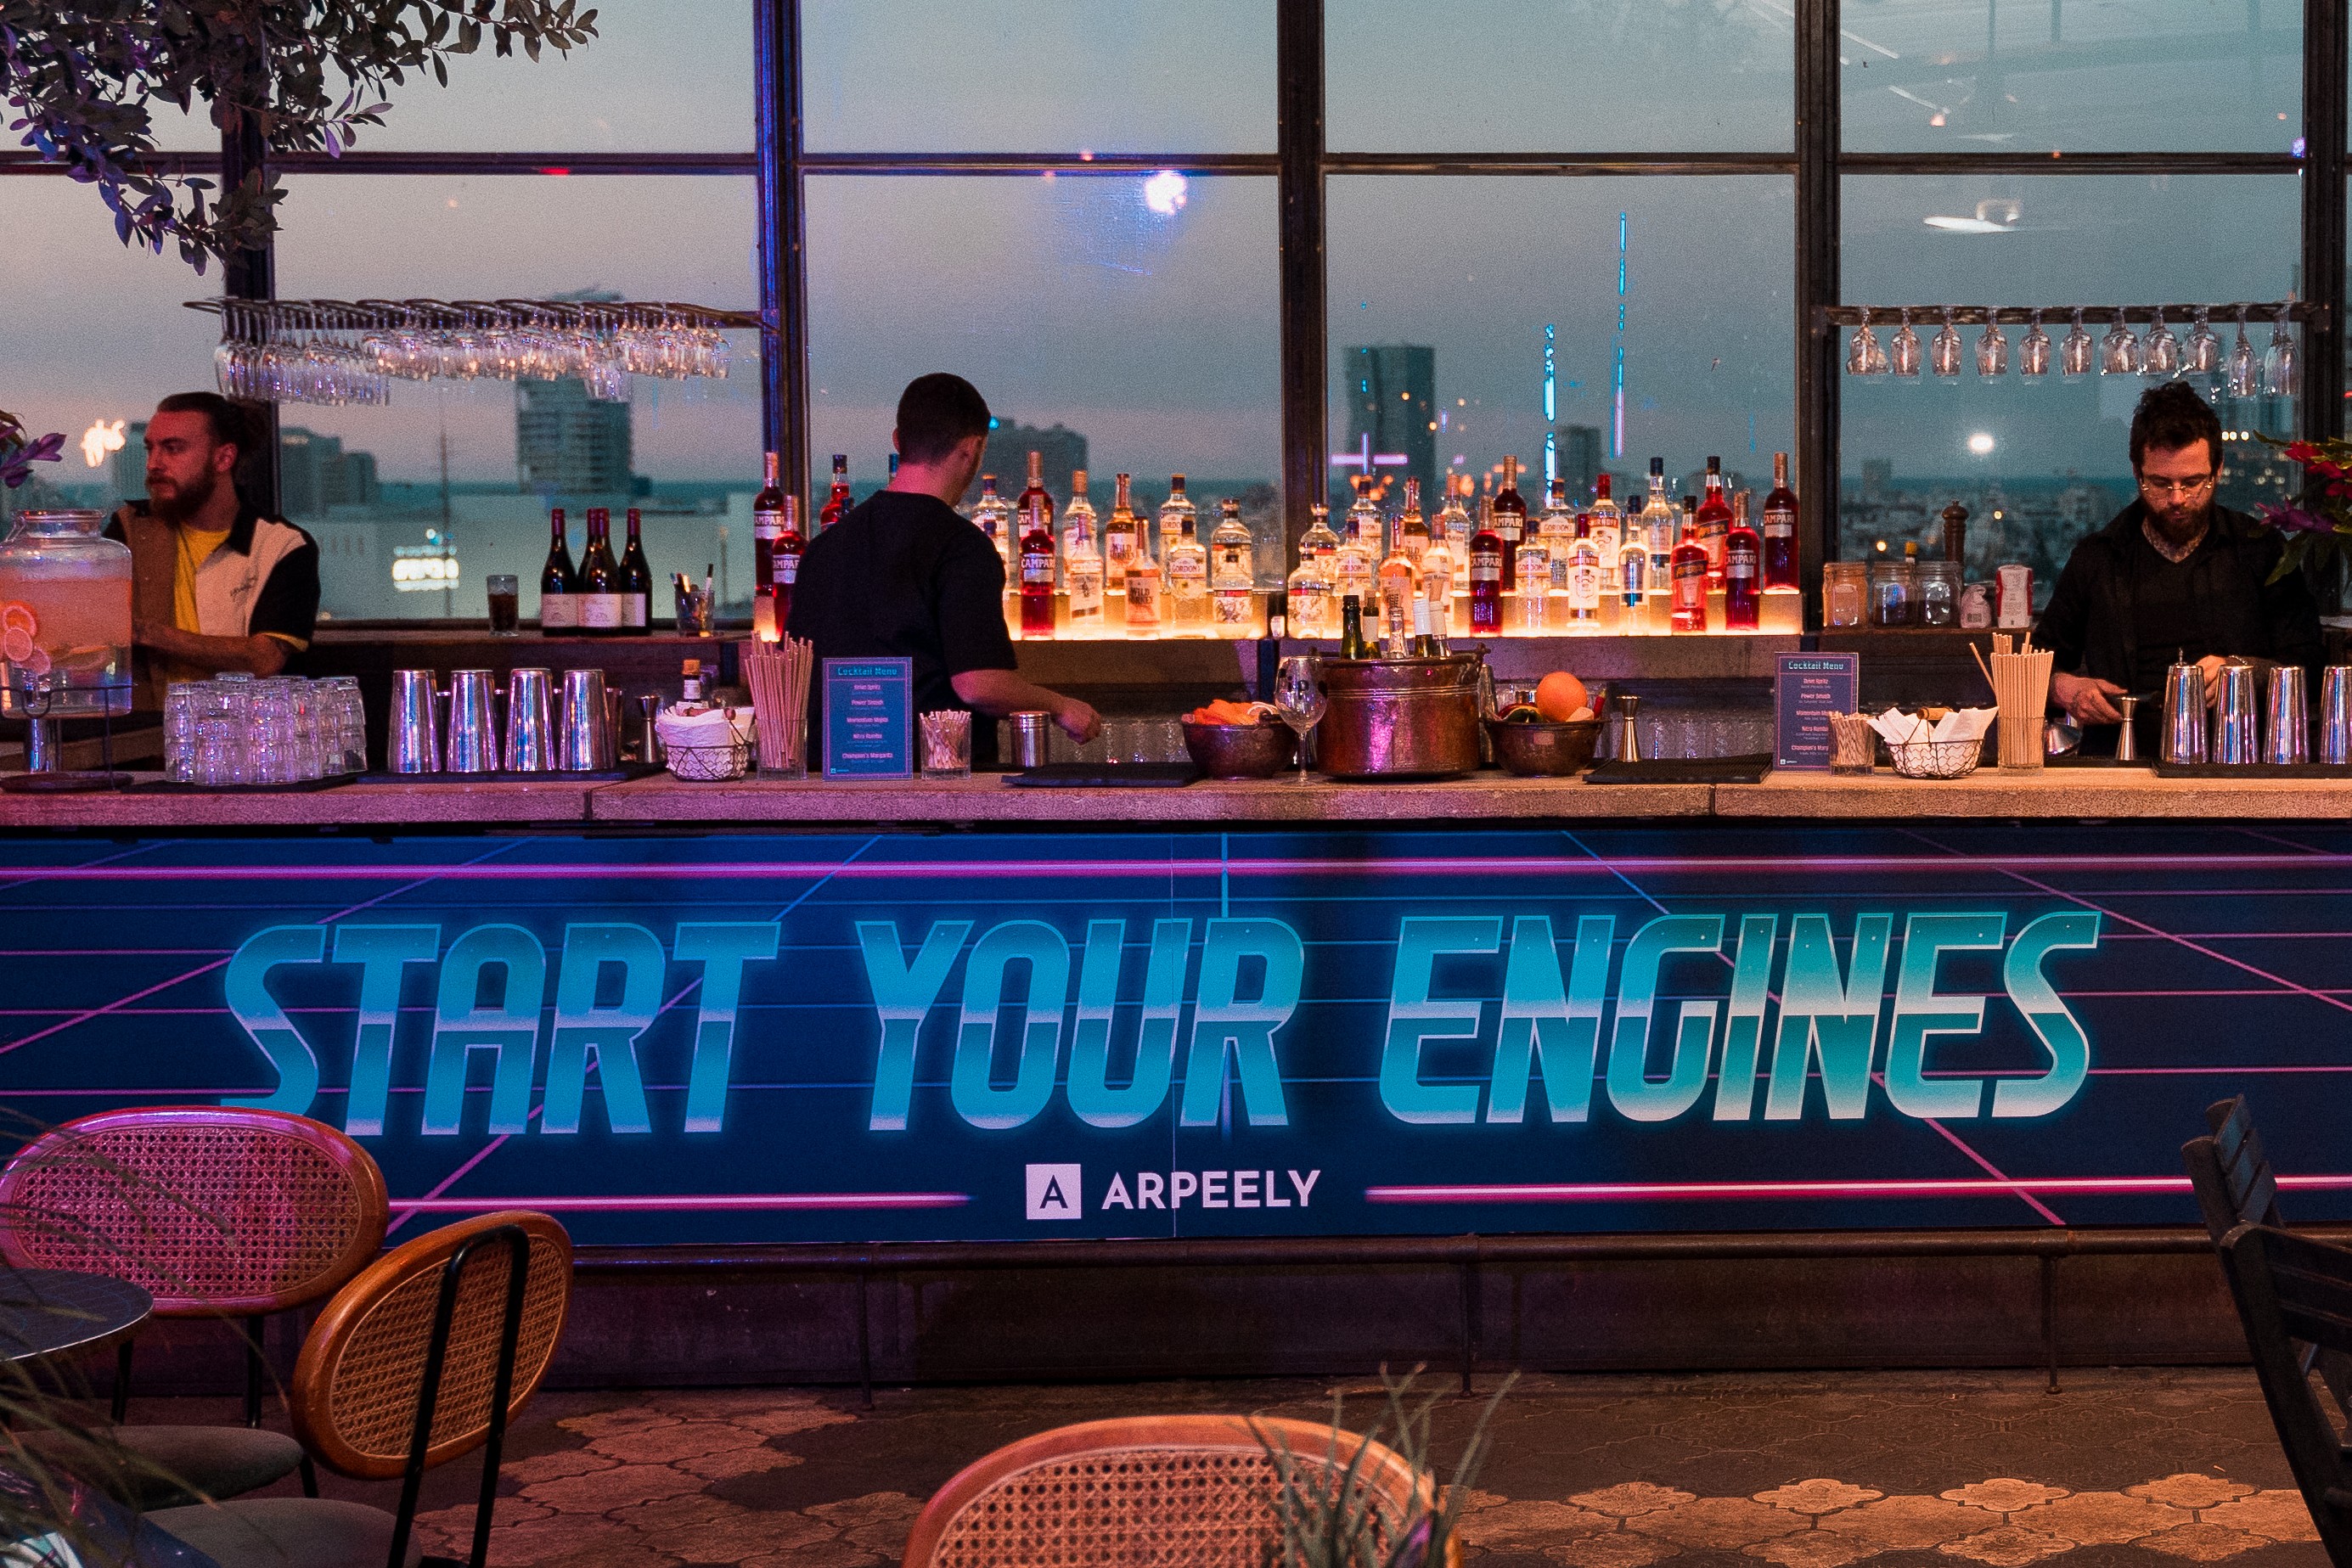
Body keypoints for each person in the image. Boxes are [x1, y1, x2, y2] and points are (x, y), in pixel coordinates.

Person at [786, 374, 1100, 768]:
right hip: (937, 787)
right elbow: (978, 684)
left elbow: (794, 674)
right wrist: (1061, 706)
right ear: (972, 449)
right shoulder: (962, 548)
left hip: (831, 785)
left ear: (898, 441)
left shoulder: (823, 548)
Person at [2041, 383, 2321, 756]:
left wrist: (2242, 672)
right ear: (2137, 473)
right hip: (2122, 760)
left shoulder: (2259, 549)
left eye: (2192, 483)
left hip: (2237, 760)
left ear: (2217, 471)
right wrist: (2067, 689)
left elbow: (2311, 667)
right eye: (2159, 483)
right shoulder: (2098, 557)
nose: (2177, 499)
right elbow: (2039, 661)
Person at [106, 393, 320, 707]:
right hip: (144, 737)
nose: (154, 464)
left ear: (223, 459)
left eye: (173, 449)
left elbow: (264, 658)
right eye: (150, 449)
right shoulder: (129, 530)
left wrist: (143, 632)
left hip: (243, 738)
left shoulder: (280, 545)